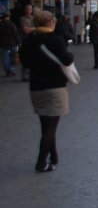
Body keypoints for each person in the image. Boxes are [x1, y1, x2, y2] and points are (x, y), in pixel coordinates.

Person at [19, 10, 74, 172]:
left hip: (36, 87)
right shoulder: (56, 40)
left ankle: (54, 155)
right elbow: (67, 59)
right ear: (50, 23)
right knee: (51, 127)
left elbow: (24, 61)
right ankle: (41, 163)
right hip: (55, 87)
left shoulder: (29, 40)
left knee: (46, 125)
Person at [17, 3, 34, 81]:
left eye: (30, 9)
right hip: (25, 40)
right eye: (27, 9)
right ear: (25, 10)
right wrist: (33, 28)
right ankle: (24, 76)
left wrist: (30, 28)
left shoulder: (34, 18)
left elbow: (38, 28)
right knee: (25, 58)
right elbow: (25, 30)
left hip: (33, 40)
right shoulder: (22, 19)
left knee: (33, 58)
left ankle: (31, 74)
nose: (29, 10)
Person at [1, 11, 20, 77]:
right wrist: (18, 42)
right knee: (13, 57)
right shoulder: (12, 24)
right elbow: (15, 33)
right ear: (9, 16)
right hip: (12, 42)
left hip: (3, 43)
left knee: (5, 58)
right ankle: (12, 69)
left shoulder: (1, 24)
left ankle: (7, 71)